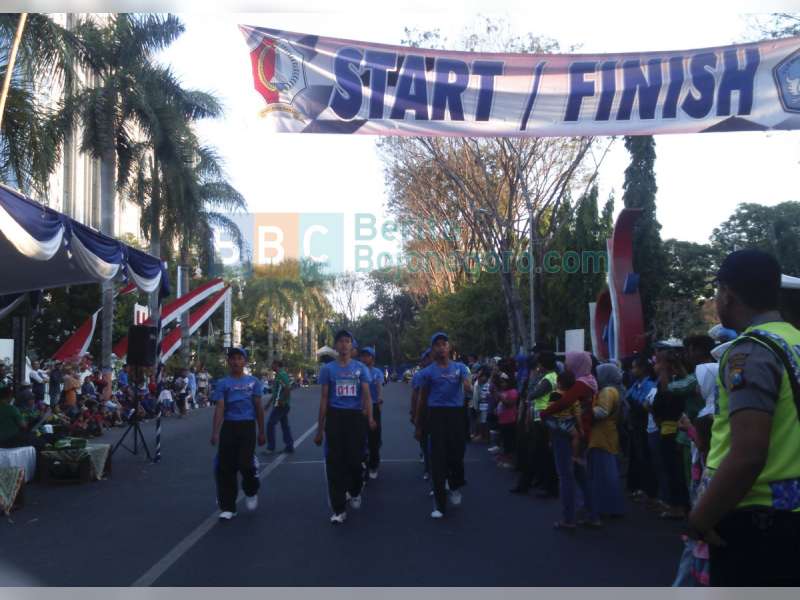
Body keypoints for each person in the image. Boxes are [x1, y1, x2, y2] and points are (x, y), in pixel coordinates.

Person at [688, 250, 800, 586]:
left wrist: (700, 519)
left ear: (728, 294)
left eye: (717, 292)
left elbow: (748, 453)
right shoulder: (793, 340)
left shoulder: (750, 351)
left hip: (755, 517)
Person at [314, 330, 376, 524]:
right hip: (335, 418)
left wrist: (370, 417)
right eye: (340, 341)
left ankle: (355, 489)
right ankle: (338, 508)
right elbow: (324, 398)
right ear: (336, 346)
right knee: (334, 463)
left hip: (355, 418)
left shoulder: (360, 368)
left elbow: (367, 395)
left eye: (347, 341)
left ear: (352, 346)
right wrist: (320, 428)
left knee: (355, 461)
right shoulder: (328, 369)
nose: (343, 345)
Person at [415, 332, 472, 519]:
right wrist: (418, 423)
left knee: (456, 455)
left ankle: (455, 486)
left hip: (456, 415)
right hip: (436, 415)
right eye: (437, 345)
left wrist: (468, 387)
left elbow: (467, 384)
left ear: (449, 347)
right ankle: (440, 504)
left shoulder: (460, 368)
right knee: (437, 459)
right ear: (433, 349)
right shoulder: (427, 372)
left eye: (444, 344)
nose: (441, 347)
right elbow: (422, 399)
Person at [541, 351, 597, 530]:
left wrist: (545, 413)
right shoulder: (590, 380)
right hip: (581, 432)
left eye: (568, 362)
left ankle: (569, 518)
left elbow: (565, 401)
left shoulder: (580, 384)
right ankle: (591, 514)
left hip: (566, 431)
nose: (566, 365)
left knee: (566, 476)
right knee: (581, 475)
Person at [210, 347, 266, 521]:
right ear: (228, 362)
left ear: (245, 362)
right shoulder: (223, 383)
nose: (235, 361)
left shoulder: (254, 382)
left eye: (239, 358)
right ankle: (228, 507)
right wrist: (215, 432)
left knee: (245, 464)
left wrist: (262, 431)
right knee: (225, 467)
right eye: (232, 358)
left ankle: (251, 490)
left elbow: (258, 407)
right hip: (229, 426)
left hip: (247, 426)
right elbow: (220, 407)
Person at [512, 351, 559, 496]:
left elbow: (533, 394)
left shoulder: (548, 378)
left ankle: (538, 486)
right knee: (539, 454)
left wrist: (530, 389)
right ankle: (536, 485)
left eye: (539, 363)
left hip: (542, 419)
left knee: (538, 454)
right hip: (541, 418)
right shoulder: (550, 376)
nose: (538, 366)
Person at [586, 363, 626, 527]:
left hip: (602, 435)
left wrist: (584, 411)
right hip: (606, 434)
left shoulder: (607, 391)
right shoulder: (613, 389)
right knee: (605, 472)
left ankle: (608, 506)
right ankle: (609, 506)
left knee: (605, 472)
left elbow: (602, 412)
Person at [359, 346, 384, 479]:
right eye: (362, 355)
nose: (364, 358)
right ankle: (363, 462)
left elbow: (379, 387)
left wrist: (380, 398)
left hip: (373, 407)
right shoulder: (357, 371)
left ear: (372, 358)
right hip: (359, 408)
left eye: (366, 355)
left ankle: (374, 465)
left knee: (374, 438)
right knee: (360, 438)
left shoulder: (377, 372)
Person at [411, 349, 433, 479]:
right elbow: (415, 396)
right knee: (425, 442)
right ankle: (428, 469)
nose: (427, 360)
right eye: (426, 357)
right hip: (425, 413)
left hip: (440, 413)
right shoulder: (420, 375)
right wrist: (414, 414)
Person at [266, 359, 294, 454]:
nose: (271, 365)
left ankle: (271, 447)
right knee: (284, 425)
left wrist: (282, 400)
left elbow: (287, 388)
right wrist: (269, 403)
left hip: (281, 405)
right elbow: (276, 392)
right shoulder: (278, 375)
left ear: (276, 364)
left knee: (270, 424)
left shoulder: (282, 374)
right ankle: (289, 445)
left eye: (272, 364)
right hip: (279, 404)